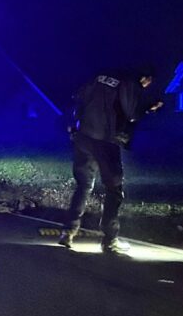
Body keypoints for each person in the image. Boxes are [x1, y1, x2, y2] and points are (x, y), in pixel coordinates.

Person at [59, 67, 160, 254]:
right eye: (147, 82)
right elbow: (132, 113)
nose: (146, 86)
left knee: (83, 185)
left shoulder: (99, 77)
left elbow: (78, 97)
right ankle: (110, 240)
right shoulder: (128, 83)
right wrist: (149, 108)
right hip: (104, 141)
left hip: (83, 138)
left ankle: (67, 232)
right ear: (144, 76)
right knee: (114, 189)